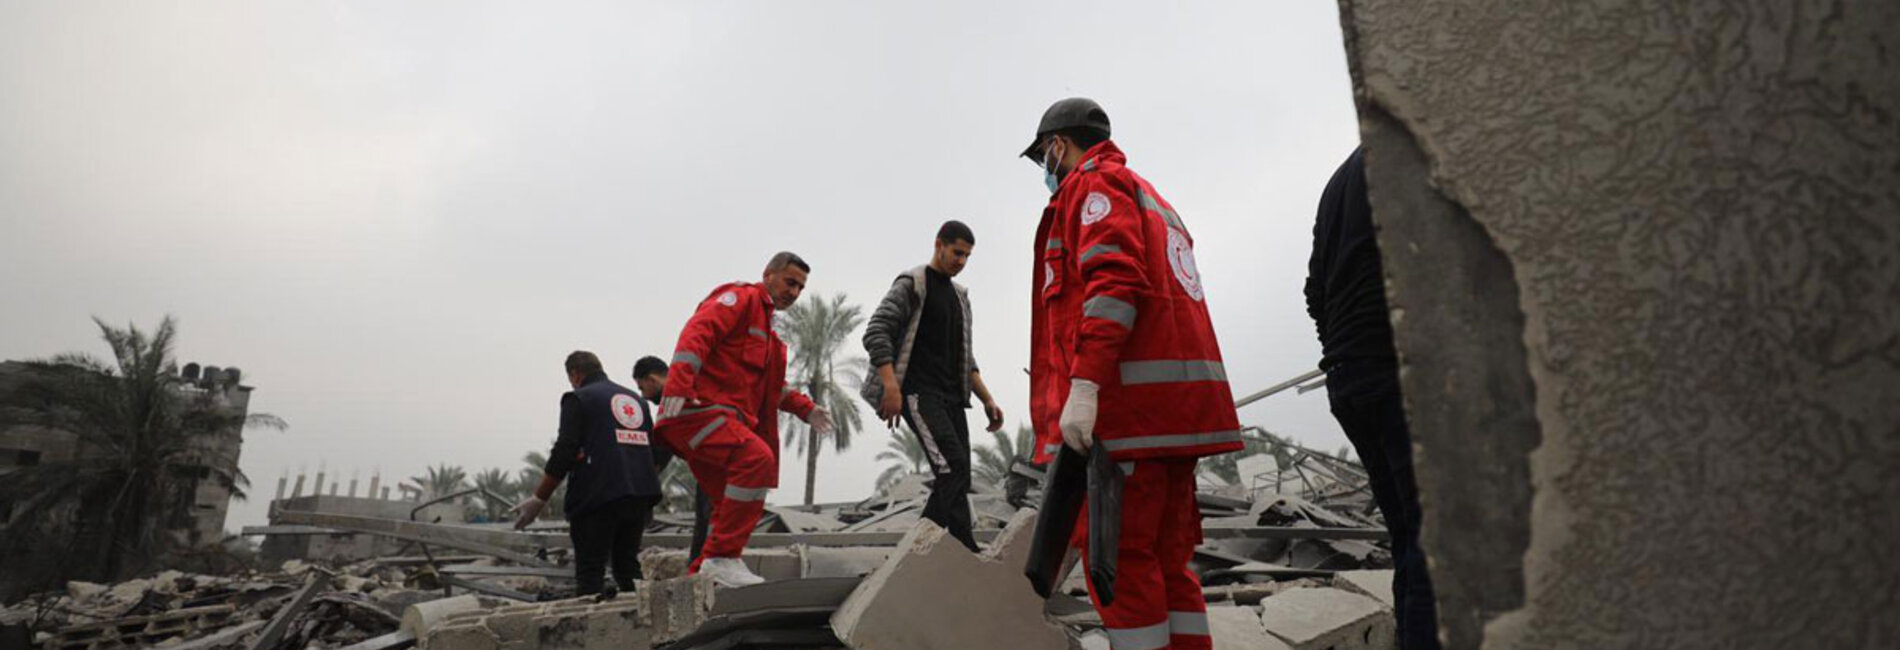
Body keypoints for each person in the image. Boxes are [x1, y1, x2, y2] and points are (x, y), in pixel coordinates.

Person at [1023, 97, 1242, 650]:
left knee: (1120, 564)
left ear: (1057, 146)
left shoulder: (1092, 189)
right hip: (1174, 421)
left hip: (1128, 421)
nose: (1046, 173)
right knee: (1170, 561)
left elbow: (1113, 286)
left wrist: (1085, 383)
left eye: (1043, 159)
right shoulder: (1154, 199)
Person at [1304, 147, 1440, 650]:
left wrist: (1344, 349)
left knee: (1410, 538)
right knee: (1438, 545)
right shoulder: (1408, 157)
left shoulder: (1338, 180)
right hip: (1400, 372)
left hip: (1350, 376)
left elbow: (1314, 291)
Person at [652, 252, 833, 587]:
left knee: (726, 505)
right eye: (789, 282)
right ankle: (722, 558)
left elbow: (771, 389)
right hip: (698, 412)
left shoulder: (769, 338)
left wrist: (805, 408)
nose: (793, 292)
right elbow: (699, 330)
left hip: (714, 419)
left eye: (800, 288)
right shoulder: (742, 299)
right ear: (769, 274)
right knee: (756, 460)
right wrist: (679, 380)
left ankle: (702, 576)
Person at [861, 220, 1004, 553]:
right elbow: (876, 331)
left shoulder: (958, 297)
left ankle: (961, 548)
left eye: (968, 256)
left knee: (960, 476)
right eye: (957, 253)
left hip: (952, 398)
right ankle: (920, 548)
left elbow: (965, 357)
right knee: (951, 467)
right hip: (917, 393)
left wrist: (987, 399)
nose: (961, 262)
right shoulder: (912, 284)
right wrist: (891, 387)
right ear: (939, 244)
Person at [509, 351, 661, 596]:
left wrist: (539, 498)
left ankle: (591, 628)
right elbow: (654, 450)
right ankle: (644, 624)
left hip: (598, 499)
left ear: (575, 374)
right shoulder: (636, 401)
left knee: (591, 573)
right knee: (628, 568)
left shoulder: (578, 398)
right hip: (639, 498)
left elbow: (565, 450)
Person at [633, 354, 715, 563]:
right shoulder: (683, 395)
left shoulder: (677, 401)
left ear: (652, 379)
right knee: (704, 526)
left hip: (720, 468)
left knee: (711, 528)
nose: (643, 396)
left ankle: (706, 573)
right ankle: (698, 570)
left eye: (642, 388)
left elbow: (659, 454)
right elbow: (661, 454)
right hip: (710, 471)